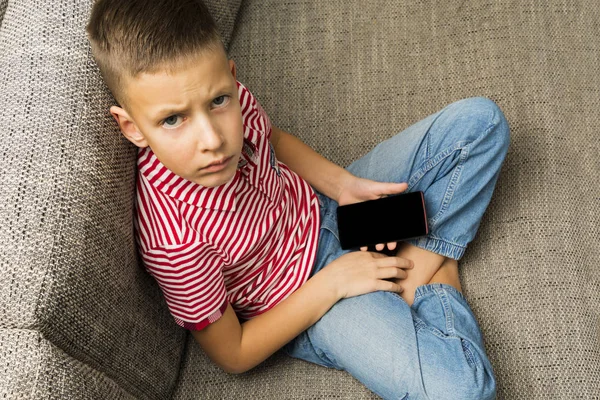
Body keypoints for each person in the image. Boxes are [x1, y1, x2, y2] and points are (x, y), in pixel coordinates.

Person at [86, 1, 508, 398]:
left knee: (481, 124)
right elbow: (233, 353)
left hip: (330, 212)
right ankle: (435, 274)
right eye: (173, 120)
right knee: (463, 391)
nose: (213, 140)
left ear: (231, 80)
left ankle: (414, 267)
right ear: (132, 127)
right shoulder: (172, 240)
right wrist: (336, 281)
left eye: (219, 101)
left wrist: (343, 185)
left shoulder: (228, 98)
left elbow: (276, 141)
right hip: (307, 299)